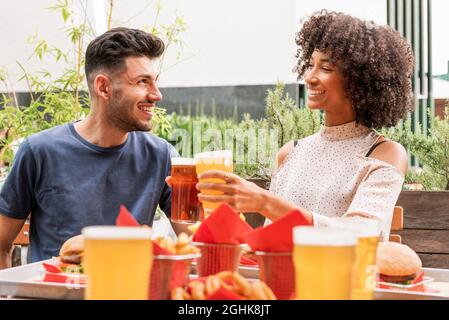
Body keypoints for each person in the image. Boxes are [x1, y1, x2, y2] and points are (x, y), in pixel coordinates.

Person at [195, 11, 414, 240]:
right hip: (281, 274)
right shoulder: (291, 152)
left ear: (361, 81)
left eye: (326, 68)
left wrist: (263, 201)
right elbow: (272, 238)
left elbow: (360, 234)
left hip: (345, 276)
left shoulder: (384, 154)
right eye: (310, 65)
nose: (309, 76)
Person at [0, 27, 176, 268]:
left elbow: (197, 237)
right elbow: (1, 243)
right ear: (103, 87)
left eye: (155, 82)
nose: (156, 95)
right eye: (142, 82)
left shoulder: (161, 155)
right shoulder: (40, 151)